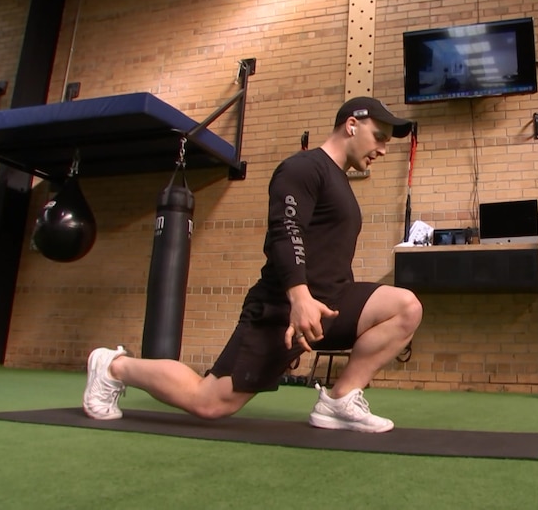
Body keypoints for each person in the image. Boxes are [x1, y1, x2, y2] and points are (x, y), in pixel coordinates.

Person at [83, 96, 423, 433]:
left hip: (330, 305)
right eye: (379, 137)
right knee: (211, 402)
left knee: (405, 307)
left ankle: (339, 401)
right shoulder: (303, 168)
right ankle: (114, 366)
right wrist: (299, 297)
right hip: (281, 307)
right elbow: (284, 232)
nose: (382, 149)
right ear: (352, 125)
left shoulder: (339, 181)